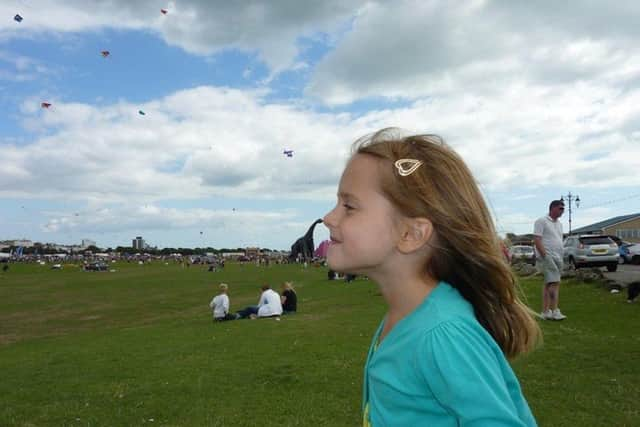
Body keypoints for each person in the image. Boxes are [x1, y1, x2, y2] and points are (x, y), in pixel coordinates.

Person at [322, 128, 540, 426]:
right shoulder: (407, 317)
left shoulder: (442, 334)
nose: (328, 218)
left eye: (349, 206)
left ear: (411, 234)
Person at [533, 200, 567, 321]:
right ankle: (554, 311)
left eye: (563, 209)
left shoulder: (559, 224)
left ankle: (545, 312)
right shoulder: (542, 221)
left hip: (558, 256)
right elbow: (537, 239)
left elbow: (558, 239)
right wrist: (545, 255)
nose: (562, 211)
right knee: (554, 283)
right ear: (552, 208)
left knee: (549, 284)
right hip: (548, 256)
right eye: (560, 208)